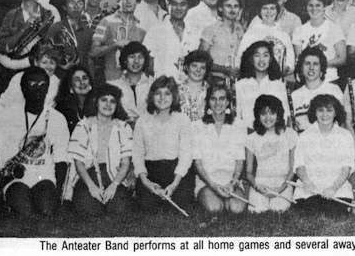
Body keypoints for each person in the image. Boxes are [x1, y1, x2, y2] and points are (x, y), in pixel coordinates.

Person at [0, 67, 69, 216]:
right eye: (32, 84)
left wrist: (58, 192)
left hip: (44, 175)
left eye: (43, 85)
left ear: (48, 89)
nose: (38, 89)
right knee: (25, 211)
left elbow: (61, 159)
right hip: (14, 176)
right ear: (23, 89)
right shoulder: (7, 115)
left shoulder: (57, 118)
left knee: (46, 210)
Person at [0, 0, 59, 110]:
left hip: (41, 71)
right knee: (17, 110)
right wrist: (25, 27)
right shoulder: (11, 15)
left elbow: (53, 46)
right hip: (16, 71)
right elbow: (2, 46)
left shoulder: (49, 15)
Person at [65, 84, 134, 216]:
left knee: (119, 210)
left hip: (114, 175)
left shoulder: (123, 127)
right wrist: (91, 187)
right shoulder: (84, 125)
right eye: (104, 100)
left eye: (112, 101)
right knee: (90, 210)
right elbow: (78, 163)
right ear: (96, 102)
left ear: (117, 105)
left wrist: (114, 185)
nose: (108, 104)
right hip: (88, 175)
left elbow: (125, 163)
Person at [132, 76, 193, 212]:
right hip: (151, 171)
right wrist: (145, 181)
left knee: (181, 203)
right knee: (148, 207)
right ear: (152, 96)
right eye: (158, 93)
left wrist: (174, 184)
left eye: (167, 93)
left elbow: (186, 155)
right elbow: (137, 154)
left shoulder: (182, 120)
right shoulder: (142, 121)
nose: (162, 98)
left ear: (174, 96)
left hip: (176, 171)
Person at [293, 94, 355, 214]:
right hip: (310, 188)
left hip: (337, 189)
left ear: (336, 113)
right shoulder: (305, 136)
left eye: (329, 110)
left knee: (332, 212)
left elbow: (346, 168)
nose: (324, 114)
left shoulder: (345, 136)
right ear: (314, 113)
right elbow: (299, 165)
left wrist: (333, 188)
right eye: (320, 110)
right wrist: (308, 183)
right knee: (312, 211)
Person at [192, 83, 248, 214]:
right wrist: (213, 186)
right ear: (208, 102)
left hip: (231, 182)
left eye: (222, 98)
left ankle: (229, 198)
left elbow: (240, 161)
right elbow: (198, 164)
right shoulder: (197, 126)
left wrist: (233, 184)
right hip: (207, 182)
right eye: (213, 98)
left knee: (236, 209)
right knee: (215, 208)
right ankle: (211, 197)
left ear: (228, 101)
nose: (218, 103)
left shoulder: (238, 125)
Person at [245, 95, 297, 213]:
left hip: (283, 183)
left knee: (278, 209)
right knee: (257, 211)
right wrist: (257, 186)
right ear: (258, 116)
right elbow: (248, 172)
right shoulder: (251, 138)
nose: (268, 118)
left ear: (278, 115)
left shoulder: (289, 134)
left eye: (272, 113)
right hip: (260, 184)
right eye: (263, 114)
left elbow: (292, 169)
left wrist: (281, 188)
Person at [90, 0, 147, 82]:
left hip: (134, 80)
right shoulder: (106, 21)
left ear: (137, 1)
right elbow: (93, 52)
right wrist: (114, 45)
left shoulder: (142, 26)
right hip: (112, 79)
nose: (128, 2)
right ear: (118, 0)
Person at [292, 0, 347, 83]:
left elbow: (342, 59)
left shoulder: (334, 28)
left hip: (328, 80)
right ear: (306, 7)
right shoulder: (299, 30)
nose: (314, 9)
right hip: (305, 82)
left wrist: (321, 64)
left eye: (318, 5)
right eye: (311, 5)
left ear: (324, 7)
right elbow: (300, 59)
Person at [143, 0, 199, 79]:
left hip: (189, 86)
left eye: (183, 4)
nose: (178, 8)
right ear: (167, 5)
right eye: (174, 4)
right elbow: (146, 62)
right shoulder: (155, 31)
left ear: (188, 7)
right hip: (164, 87)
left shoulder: (194, 32)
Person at [235, 41, 290, 130]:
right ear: (251, 59)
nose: (261, 60)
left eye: (265, 55)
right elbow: (237, 117)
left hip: (273, 135)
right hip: (247, 136)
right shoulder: (240, 85)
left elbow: (285, 116)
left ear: (271, 59)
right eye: (257, 55)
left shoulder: (279, 85)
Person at [237, 0, 295, 77]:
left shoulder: (284, 35)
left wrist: (286, 69)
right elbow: (240, 57)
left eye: (272, 8)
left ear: (277, 11)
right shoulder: (251, 33)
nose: (269, 12)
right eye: (265, 8)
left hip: (277, 80)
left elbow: (290, 62)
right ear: (259, 11)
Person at [291, 47, 345, 132]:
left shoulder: (333, 90)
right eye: (307, 63)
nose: (311, 67)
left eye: (315, 64)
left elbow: (342, 123)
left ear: (321, 68)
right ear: (301, 68)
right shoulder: (294, 96)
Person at [43, 0, 94, 75]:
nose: (76, 6)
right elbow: (46, 53)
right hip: (60, 76)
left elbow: (89, 59)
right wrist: (61, 65)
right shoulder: (56, 27)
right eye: (72, 3)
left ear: (83, 6)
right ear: (64, 7)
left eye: (80, 3)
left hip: (81, 76)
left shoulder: (88, 31)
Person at [0, 45, 61, 110]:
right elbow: (5, 103)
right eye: (44, 62)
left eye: (52, 63)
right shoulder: (19, 77)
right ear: (37, 63)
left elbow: (50, 109)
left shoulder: (57, 83)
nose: (48, 66)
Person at [199, 0, 245, 82]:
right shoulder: (211, 30)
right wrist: (224, 69)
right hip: (214, 80)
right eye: (228, 6)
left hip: (236, 81)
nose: (232, 10)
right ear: (220, 8)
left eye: (236, 6)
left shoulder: (240, 31)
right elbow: (200, 59)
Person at [108, 42, 154, 125]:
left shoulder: (153, 85)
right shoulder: (113, 86)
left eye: (140, 57)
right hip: (122, 133)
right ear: (125, 60)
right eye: (132, 57)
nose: (136, 61)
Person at [55, 66, 94, 132]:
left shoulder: (99, 105)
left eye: (84, 78)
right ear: (70, 87)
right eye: (77, 80)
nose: (82, 82)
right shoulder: (61, 110)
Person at [177, 50, 212, 123]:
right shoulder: (175, 90)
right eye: (194, 66)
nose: (198, 70)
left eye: (202, 68)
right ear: (186, 67)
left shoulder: (212, 92)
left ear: (206, 71)